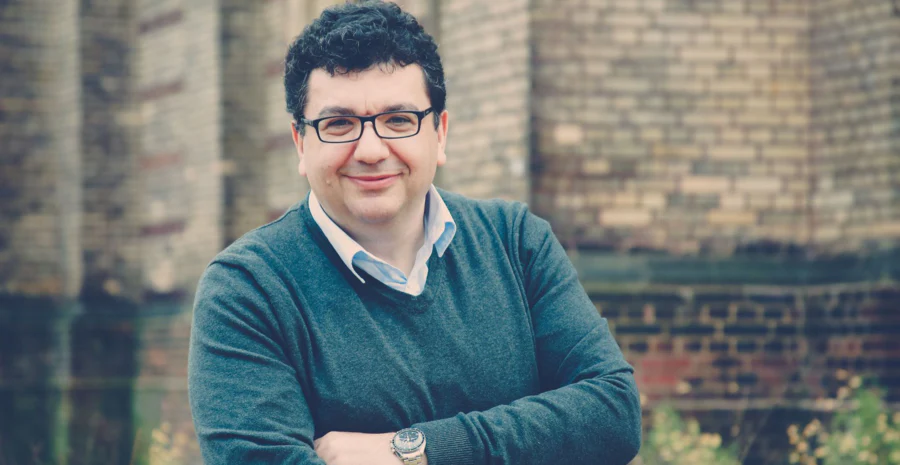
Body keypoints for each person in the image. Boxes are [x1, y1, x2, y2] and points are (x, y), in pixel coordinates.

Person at [187, 1, 641, 464]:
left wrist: (413, 451)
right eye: (338, 124)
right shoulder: (247, 289)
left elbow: (613, 414)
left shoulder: (515, 242)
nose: (370, 150)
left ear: (439, 133)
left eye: (398, 120)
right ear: (301, 142)